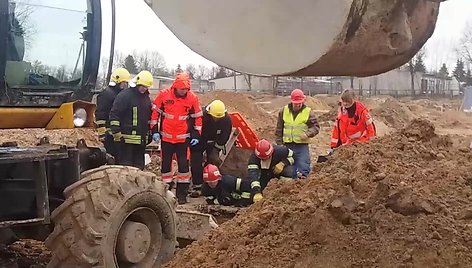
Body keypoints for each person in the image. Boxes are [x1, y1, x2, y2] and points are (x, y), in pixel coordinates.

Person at [150, 72, 203, 204]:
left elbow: (197, 117)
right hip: (166, 138)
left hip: (183, 140)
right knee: (166, 167)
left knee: (184, 168)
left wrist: (196, 134)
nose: (184, 91)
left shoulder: (192, 98)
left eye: (186, 89)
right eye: (182, 89)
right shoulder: (164, 95)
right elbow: (155, 113)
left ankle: (182, 196)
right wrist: (154, 130)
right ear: (175, 87)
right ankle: (165, 194)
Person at [109, 70, 153, 170]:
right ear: (137, 83)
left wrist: (149, 133)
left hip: (141, 142)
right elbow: (115, 114)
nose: (143, 89)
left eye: (146, 87)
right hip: (126, 141)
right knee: (126, 169)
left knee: (139, 169)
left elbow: (148, 118)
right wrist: (116, 132)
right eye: (142, 86)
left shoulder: (146, 99)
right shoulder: (125, 96)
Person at [189, 99, 233, 197]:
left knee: (213, 161)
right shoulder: (201, 115)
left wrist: (217, 149)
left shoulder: (226, 120)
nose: (216, 119)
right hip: (200, 139)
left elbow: (224, 136)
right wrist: (194, 138)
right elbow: (193, 126)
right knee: (196, 162)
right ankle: (197, 184)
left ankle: (211, 183)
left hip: (214, 141)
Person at [275, 89, 319, 179]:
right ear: (292, 101)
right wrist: (280, 145)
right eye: (296, 103)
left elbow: (316, 127)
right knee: (283, 169)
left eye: (300, 102)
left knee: (303, 169)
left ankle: (301, 183)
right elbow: (279, 130)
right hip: (287, 146)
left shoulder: (308, 112)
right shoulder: (284, 111)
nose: (298, 105)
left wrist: (307, 134)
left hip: (301, 146)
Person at [95, 67, 131, 161]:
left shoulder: (121, 94)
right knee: (111, 158)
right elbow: (100, 113)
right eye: (124, 83)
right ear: (118, 81)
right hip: (109, 134)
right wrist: (102, 132)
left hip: (118, 133)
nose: (125, 85)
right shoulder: (106, 94)